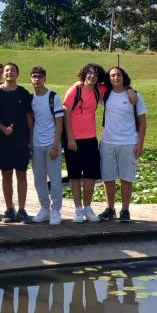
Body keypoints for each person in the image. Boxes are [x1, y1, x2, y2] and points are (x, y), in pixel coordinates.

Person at [99, 66, 147, 222]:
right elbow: (87, 83)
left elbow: (142, 122)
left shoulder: (135, 96)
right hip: (107, 141)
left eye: (118, 75)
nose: (115, 78)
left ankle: (125, 210)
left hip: (128, 142)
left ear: (123, 77)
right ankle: (110, 209)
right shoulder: (105, 95)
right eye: (112, 75)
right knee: (108, 177)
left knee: (127, 177)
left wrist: (140, 144)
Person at [62, 63, 106, 223]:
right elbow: (65, 112)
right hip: (73, 139)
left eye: (95, 74)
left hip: (91, 139)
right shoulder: (75, 89)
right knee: (74, 176)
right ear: (84, 74)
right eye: (89, 73)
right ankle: (78, 209)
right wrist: (70, 137)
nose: (92, 76)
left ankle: (88, 207)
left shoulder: (98, 90)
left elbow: (117, 83)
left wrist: (130, 90)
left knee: (90, 175)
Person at [0, 62, 33, 222]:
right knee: (6, 175)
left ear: (17, 73)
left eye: (13, 70)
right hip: (4, 141)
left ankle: (22, 210)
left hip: (21, 140)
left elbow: (29, 119)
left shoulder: (23, 93)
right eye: (7, 71)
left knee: (22, 175)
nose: (10, 73)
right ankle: (9, 209)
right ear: (3, 74)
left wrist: (30, 139)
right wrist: (3, 129)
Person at [28, 66, 64, 225]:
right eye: (34, 76)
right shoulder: (30, 98)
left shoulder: (53, 97)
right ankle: (44, 208)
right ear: (31, 79)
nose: (37, 79)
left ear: (45, 78)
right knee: (38, 179)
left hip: (51, 143)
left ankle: (56, 210)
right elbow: (31, 122)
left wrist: (56, 145)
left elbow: (59, 122)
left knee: (55, 179)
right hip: (36, 144)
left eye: (40, 76)